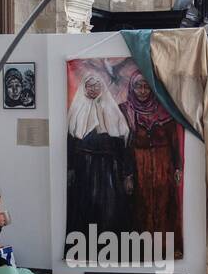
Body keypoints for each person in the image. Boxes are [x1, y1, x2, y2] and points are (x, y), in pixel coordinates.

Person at [120, 72, 183, 258]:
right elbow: (125, 146)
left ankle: (165, 249)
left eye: (146, 87)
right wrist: (128, 174)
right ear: (132, 87)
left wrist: (178, 167)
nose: (142, 91)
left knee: (164, 205)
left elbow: (174, 141)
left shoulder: (164, 110)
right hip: (139, 165)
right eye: (138, 86)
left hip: (164, 165)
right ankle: (144, 251)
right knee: (141, 206)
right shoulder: (125, 110)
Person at [65, 71, 131, 240]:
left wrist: (126, 173)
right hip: (83, 166)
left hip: (108, 167)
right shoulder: (77, 109)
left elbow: (121, 142)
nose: (93, 89)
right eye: (89, 85)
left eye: (96, 85)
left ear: (102, 87)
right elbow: (71, 141)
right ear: (84, 87)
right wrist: (70, 167)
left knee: (108, 205)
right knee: (84, 203)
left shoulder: (111, 108)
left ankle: (107, 240)